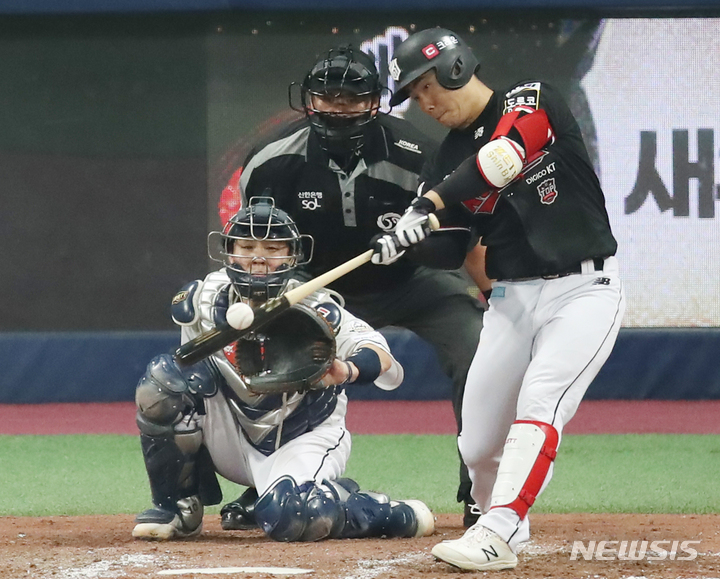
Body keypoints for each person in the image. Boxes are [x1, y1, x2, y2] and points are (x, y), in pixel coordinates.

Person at [373, 28, 626, 571]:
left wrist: (431, 201)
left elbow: (504, 158)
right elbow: (449, 250)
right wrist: (409, 239)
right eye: (414, 97)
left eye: (425, 87)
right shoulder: (446, 158)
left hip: (584, 291)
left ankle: (499, 531)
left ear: (457, 66)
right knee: (479, 444)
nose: (426, 103)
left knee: (541, 403)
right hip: (511, 301)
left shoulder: (531, 99)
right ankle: (504, 523)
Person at [222, 44, 488, 527]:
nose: (338, 108)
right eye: (328, 98)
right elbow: (252, 247)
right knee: (271, 352)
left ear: (375, 101)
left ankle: (481, 492)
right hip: (311, 287)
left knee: (477, 347)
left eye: (352, 99)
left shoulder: (417, 155)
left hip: (410, 280)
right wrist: (268, 306)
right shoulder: (270, 162)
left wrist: (423, 244)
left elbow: (460, 235)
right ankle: (263, 485)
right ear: (308, 100)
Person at [131, 198, 434, 543]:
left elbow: (380, 355)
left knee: (295, 516)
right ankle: (178, 509)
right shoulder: (203, 300)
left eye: (273, 248)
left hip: (300, 435)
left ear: (292, 256)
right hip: (231, 432)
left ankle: (389, 513)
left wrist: (344, 371)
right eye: (247, 246)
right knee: (162, 382)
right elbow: (187, 373)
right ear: (229, 253)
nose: (258, 257)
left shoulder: (316, 306)